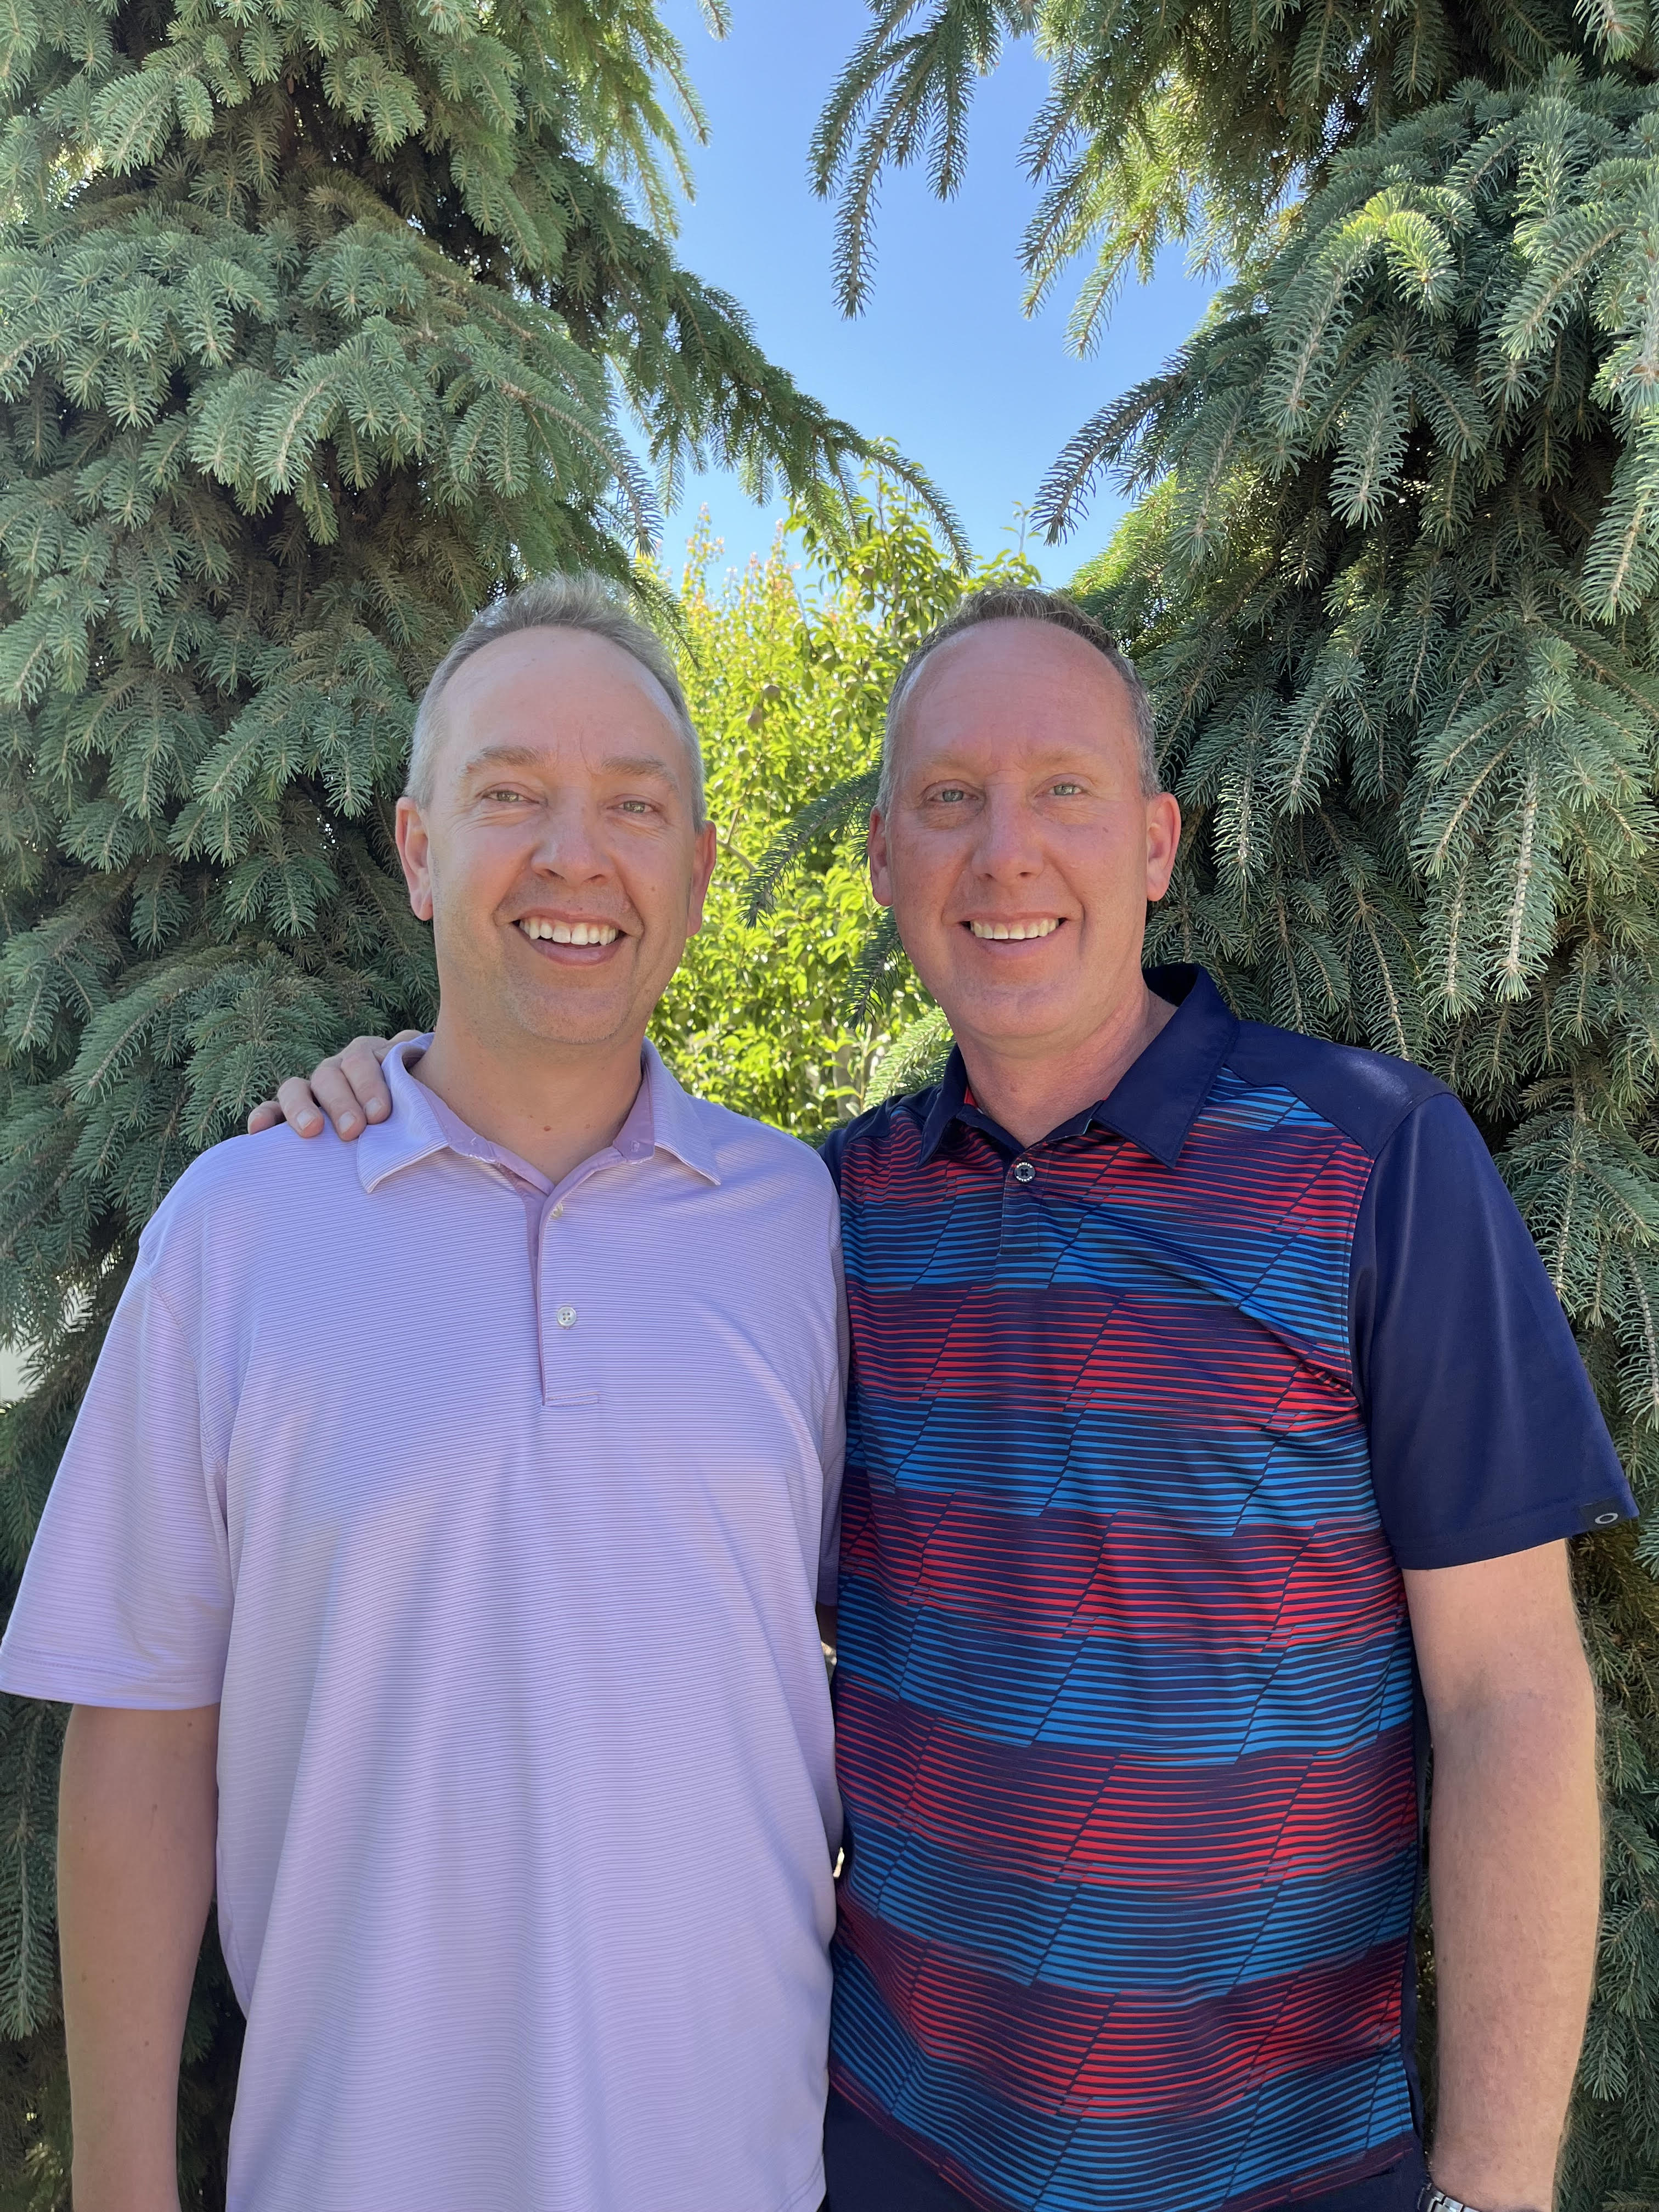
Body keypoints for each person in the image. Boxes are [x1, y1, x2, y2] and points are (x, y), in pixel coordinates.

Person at [266, 588, 1634, 2212]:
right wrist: (395, 1093)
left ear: (1153, 841)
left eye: (1064, 788)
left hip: (1288, 2172)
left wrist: (1491, 2191)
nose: (1006, 854)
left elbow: (1516, 1703)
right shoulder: (816, 1218)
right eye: (947, 801)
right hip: (896, 2155)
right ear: (887, 865)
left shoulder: (1377, 1164)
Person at [0, 575, 847, 2212]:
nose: (573, 855)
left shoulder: (807, 1228)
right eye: (509, 795)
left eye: (633, 806)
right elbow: (140, 1747)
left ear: (697, 869)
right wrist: (119, 2187)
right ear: (417, 849)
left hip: (747, 2175)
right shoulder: (239, 1233)